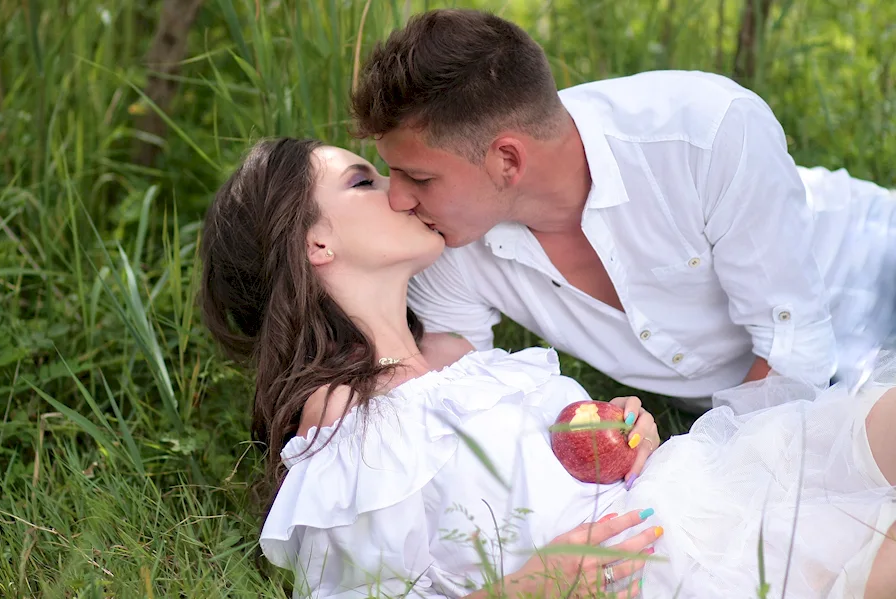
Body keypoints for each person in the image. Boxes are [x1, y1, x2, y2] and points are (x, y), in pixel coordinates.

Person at [199, 137, 896, 598]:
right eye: (363, 180)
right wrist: (529, 586)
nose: (400, 191)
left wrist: (626, 433)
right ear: (314, 241)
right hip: (659, 569)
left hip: (696, 483)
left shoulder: (464, 359)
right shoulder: (340, 436)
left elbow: (563, 466)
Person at [349, 9, 896, 412]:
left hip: (874, 273)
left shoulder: (705, 133)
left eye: (419, 177)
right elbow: (465, 397)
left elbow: (794, 354)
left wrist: (691, 467)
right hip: (798, 398)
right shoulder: (444, 240)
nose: (397, 199)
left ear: (506, 160)